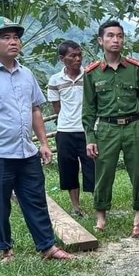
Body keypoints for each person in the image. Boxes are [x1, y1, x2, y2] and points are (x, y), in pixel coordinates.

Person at [0, 17, 73, 263]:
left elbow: (36, 109)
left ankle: (47, 247)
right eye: (6, 37)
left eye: (16, 37)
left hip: (26, 151)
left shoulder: (27, 74)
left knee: (36, 199)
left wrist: (43, 143)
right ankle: (5, 250)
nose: (13, 42)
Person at [83, 19, 139, 238]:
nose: (116, 40)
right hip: (106, 128)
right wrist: (90, 138)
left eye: (120, 36)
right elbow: (88, 110)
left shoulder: (135, 69)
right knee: (103, 174)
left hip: (133, 126)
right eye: (111, 36)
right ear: (100, 40)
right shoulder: (92, 73)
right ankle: (101, 217)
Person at [47, 40, 94, 218]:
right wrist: (67, 120)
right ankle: (76, 206)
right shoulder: (55, 80)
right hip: (65, 130)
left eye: (79, 55)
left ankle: (99, 204)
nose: (77, 58)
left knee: (93, 166)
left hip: (88, 129)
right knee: (68, 169)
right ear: (62, 59)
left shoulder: (89, 75)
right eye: (72, 56)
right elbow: (57, 107)